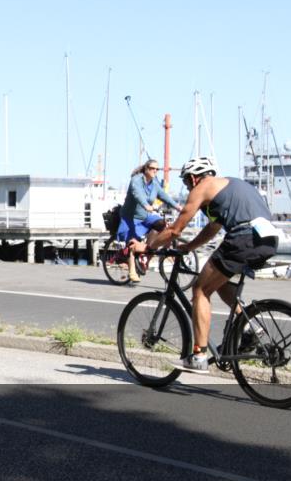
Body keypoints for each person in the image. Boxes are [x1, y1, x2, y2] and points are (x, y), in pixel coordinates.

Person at [129, 156, 280, 373]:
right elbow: (213, 227)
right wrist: (189, 246)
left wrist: (148, 247)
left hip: (244, 238)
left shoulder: (202, 187)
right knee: (218, 283)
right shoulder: (231, 185)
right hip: (268, 239)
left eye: (186, 182)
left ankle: (199, 356)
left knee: (200, 290)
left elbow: (175, 230)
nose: (187, 187)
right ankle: (249, 326)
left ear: (193, 178)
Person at [117, 159, 180, 283]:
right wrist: (146, 205)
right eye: (152, 168)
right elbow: (137, 194)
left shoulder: (154, 183)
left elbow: (163, 195)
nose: (155, 171)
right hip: (131, 217)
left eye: (157, 169)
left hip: (145, 216)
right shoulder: (136, 180)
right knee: (132, 243)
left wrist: (177, 206)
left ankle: (147, 258)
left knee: (162, 225)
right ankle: (132, 270)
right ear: (146, 169)